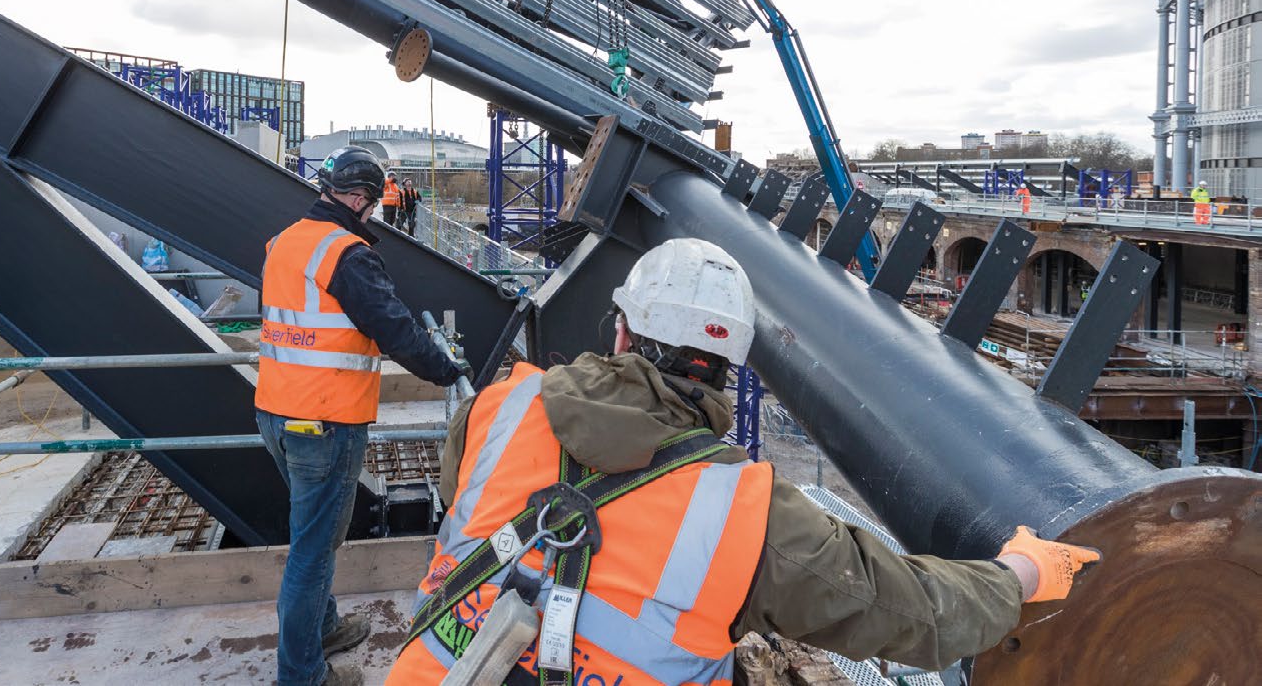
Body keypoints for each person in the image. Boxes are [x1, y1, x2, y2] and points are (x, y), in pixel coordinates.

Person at [388, 238, 1100, 683]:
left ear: (620, 330)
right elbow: (916, 616)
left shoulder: (500, 410)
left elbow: (467, 511)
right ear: (730, 365)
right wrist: (1022, 572)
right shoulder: (740, 515)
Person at [256, 145, 471, 686]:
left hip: (276, 412)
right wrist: (447, 371)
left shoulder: (284, 241)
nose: (374, 213)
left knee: (313, 537)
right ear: (356, 199)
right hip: (324, 421)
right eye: (372, 204)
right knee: (313, 550)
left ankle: (321, 629)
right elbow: (394, 328)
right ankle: (301, 674)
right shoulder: (346, 253)